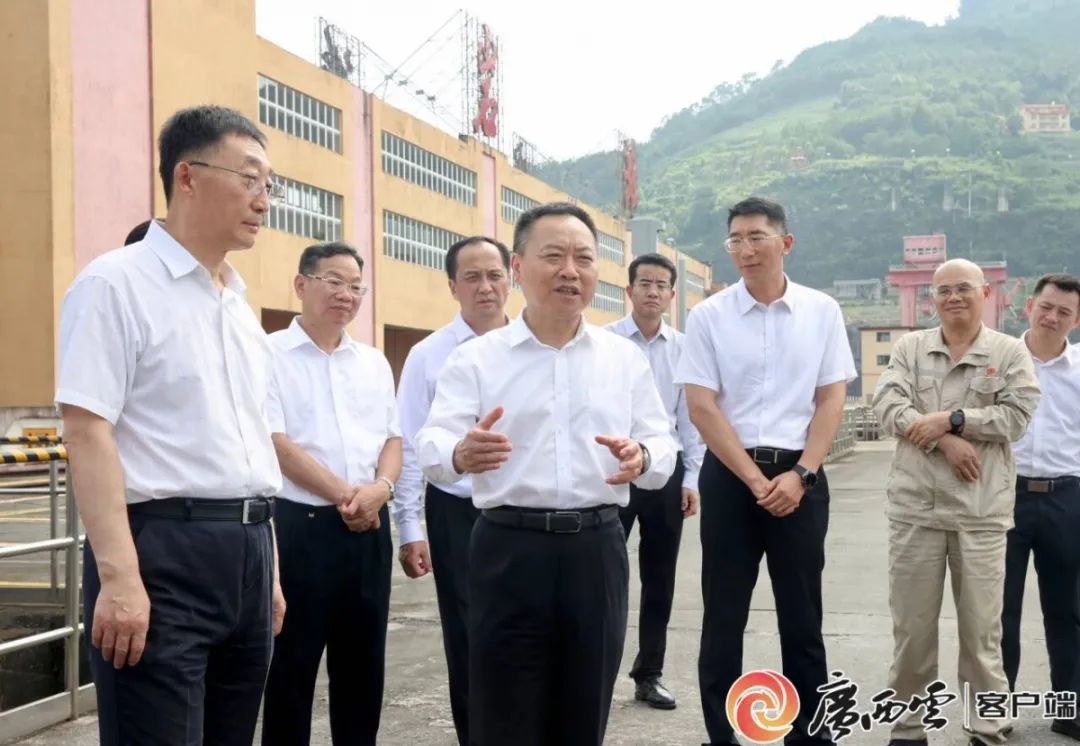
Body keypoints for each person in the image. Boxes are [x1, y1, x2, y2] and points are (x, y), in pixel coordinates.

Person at [56, 105, 286, 745]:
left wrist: (268, 569)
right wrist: (120, 577)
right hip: (161, 554)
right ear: (187, 176)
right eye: (249, 179)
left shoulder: (238, 307)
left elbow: (251, 448)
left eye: (270, 185)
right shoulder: (115, 285)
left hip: (248, 550)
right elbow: (87, 430)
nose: (263, 201)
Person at [416, 202, 677, 746]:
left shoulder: (622, 359)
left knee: (583, 713)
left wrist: (643, 458)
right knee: (502, 714)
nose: (569, 271)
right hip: (508, 552)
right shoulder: (478, 359)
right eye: (553, 256)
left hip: (595, 551)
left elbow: (662, 445)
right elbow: (432, 445)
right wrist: (461, 452)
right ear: (518, 267)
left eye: (583, 258)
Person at [676, 196, 855, 746]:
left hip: (801, 478)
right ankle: (722, 734)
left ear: (785, 243)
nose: (746, 249)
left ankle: (810, 734)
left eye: (757, 236)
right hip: (731, 480)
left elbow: (831, 399)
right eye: (736, 239)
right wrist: (755, 481)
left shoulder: (821, 311)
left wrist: (802, 474)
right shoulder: (708, 316)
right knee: (723, 616)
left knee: (802, 616)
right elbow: (701, 405)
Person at [872, 258, 1040, 746]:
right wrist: (945, 440)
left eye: (963, 288)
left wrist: (955, 419)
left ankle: (986, 725)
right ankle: (908, 727)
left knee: (982, 632)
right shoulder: (910, 348)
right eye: (942, 290)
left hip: (980, 514)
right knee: (912, 629)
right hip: (916, 511)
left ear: (985, 293)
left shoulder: (1009, 352)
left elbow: (1017, 415)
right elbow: (888, 405)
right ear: (932, 298)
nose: (953, 298)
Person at [261, 242, 402, 745]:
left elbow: (393, 439)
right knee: (290, 671)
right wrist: (350, 497)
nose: (347, 294)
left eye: (356, 286)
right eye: (334, 282)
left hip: (368, 533)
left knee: (362, 673)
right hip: (300, 530)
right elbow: (276, 443)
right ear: (301, 285)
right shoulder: (267, 353)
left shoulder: (372, 362)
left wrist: (381, 490)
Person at [393, 235, 511, 745]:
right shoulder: (428, 355)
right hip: (457, 511)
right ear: (452, 286)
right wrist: (409, 528)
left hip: (523, 512)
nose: (486, 287)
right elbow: (411, 441)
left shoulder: (533, 345)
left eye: (495, 275)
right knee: (468, 635)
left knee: (529, 633)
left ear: (511, 279)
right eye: (472, 277)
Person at [606, 252, 705, 710]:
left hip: (666, 471)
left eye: (661, 285)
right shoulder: (606, 342)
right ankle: (597, 670)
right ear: (629, 290)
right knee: (605, 575)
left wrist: (693, 478)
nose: (652, 291)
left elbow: (692, 420)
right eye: (644, 283)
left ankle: (649, 673)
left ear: (671, 294)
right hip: (616, 469)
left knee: (659, 576)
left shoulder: (684, 349)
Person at [1001, 273, 1080, 742]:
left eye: (1064, 312)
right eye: (1046, 307)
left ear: (1076, 320)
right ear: (1029, 306)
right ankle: (994, 709)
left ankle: (1070, 708)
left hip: (1067, 497)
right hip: (1003, 495)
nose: (1052, 317)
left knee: (1068, 609)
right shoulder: (999, 359)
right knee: (997, 610)